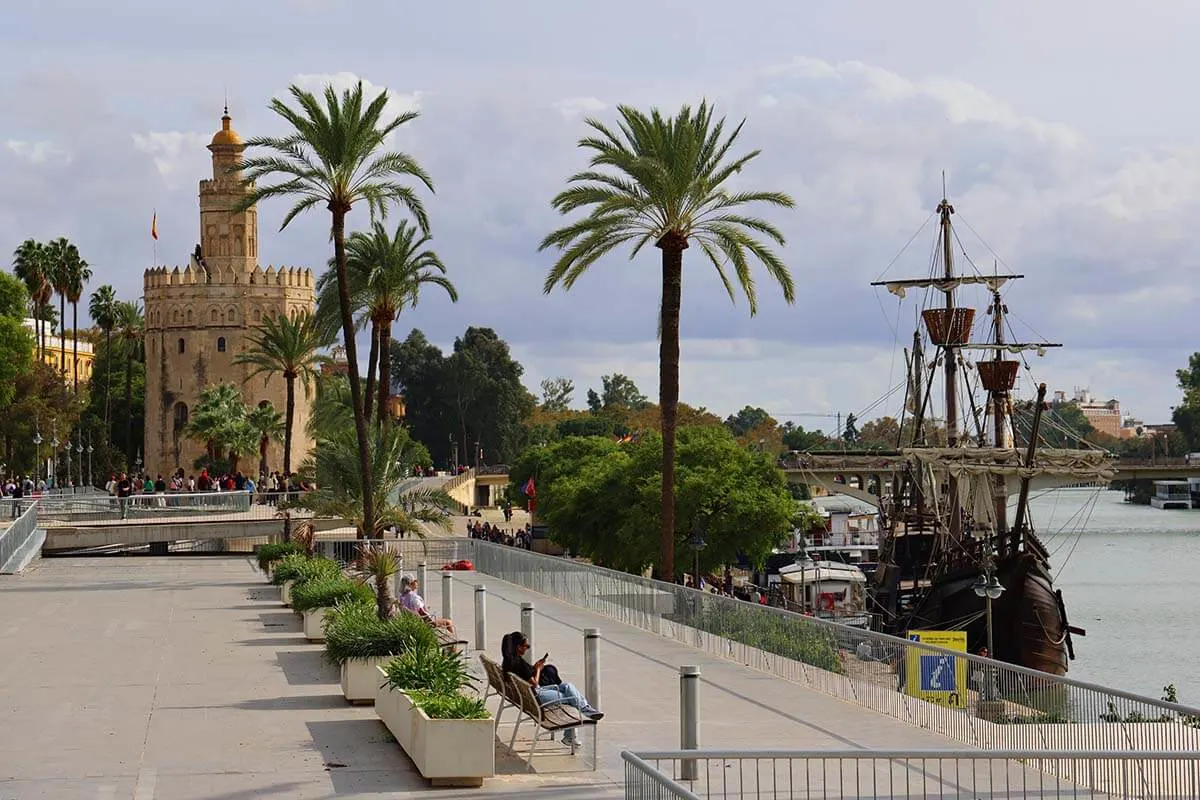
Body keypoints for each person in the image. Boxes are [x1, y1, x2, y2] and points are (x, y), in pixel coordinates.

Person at [500, 631, 602, 748]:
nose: (527, 648)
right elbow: (535, 685)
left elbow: (525, 676)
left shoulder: (508, 662)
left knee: (567, 687)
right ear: (518, 647)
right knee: (571, 698)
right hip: (538, 696)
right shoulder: (519, 663)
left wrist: (534, 667)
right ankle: (576, 725)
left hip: (528, 697)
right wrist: (538, 669)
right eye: (526, 646)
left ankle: (584, 711)